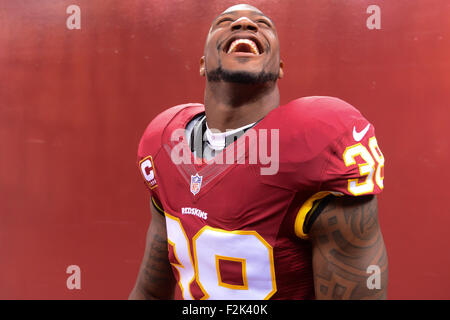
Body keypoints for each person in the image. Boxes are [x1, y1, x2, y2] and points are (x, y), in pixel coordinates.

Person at [129, 4, 388, 300]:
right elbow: (149, 292)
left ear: (279, 67)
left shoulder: (315, 144)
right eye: (225, 22)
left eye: (262, 23)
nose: (243, 23)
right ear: (202, 63)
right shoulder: (163, 142)